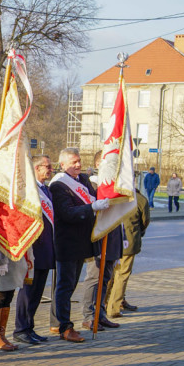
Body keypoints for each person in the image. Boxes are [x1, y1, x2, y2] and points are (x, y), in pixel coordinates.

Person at [49, 147, 109, 343]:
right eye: (74, 162)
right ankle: (64, 326)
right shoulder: (59, 185)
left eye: (79, 161)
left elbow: (92, 197)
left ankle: (62, 322)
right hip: (67, 242)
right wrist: (91, 207)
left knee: (72, 284)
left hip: (81, 242)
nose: (78, 165)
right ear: (63, 164)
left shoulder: (82, 180)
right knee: (65, 286)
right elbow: (66, 213)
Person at [13, 155, 56, 345]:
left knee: (38, 290)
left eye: (50, 166)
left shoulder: (46, 189)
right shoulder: (29, 190)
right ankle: (21, 328)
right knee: (27, 291)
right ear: (36, 169)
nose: (50, 170)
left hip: (46, 246)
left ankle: (30, 327)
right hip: (33, 247)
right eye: (46, 166)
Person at [81, 150, 124, 332]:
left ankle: (101, 313)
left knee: (106, 278)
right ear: (98, 164)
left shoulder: (116, 187)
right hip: (98, 238)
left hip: (113, 237)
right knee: (94, 278)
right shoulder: (91, 184)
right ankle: (89, 316)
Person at [106, 188, 149, 317]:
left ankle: (102, 303)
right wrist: (137, 232)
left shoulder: (113, 195)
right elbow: (145, 221)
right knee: (122, 275)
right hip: (128, 241)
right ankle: (113, 308)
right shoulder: (140, 199)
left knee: (109, 273)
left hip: (111, 240)